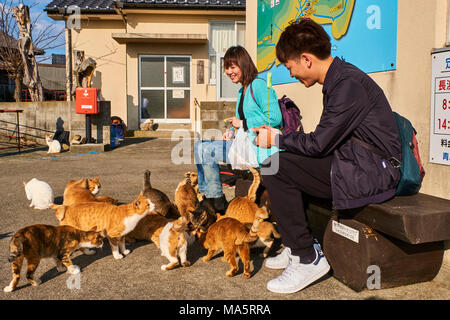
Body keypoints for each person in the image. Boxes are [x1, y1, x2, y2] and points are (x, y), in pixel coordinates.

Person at [253, 19, 402, 294]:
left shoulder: (347, 85)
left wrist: (276, 137)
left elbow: (319, 144)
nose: (292, 74)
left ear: (306, 59)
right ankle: (297, 246)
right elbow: (324, 140)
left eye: (290, 67)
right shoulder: (340, 79)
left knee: (275, 166)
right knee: (283, 165)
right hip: (357, 162)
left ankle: (307, 258)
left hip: (373, 172)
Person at [194, 45, 283, 214]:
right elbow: (241, 124)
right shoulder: (243, 90)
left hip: (257, 148)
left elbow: (275, 117)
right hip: (243, 145)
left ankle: (216, 200)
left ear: (243, 65)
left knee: (207, 150)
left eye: (232, 67)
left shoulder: (259, 85)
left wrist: (242, 123)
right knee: (200, 145)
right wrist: (232, 133)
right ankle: (210, 196)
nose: (228, 72)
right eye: (226, 68)